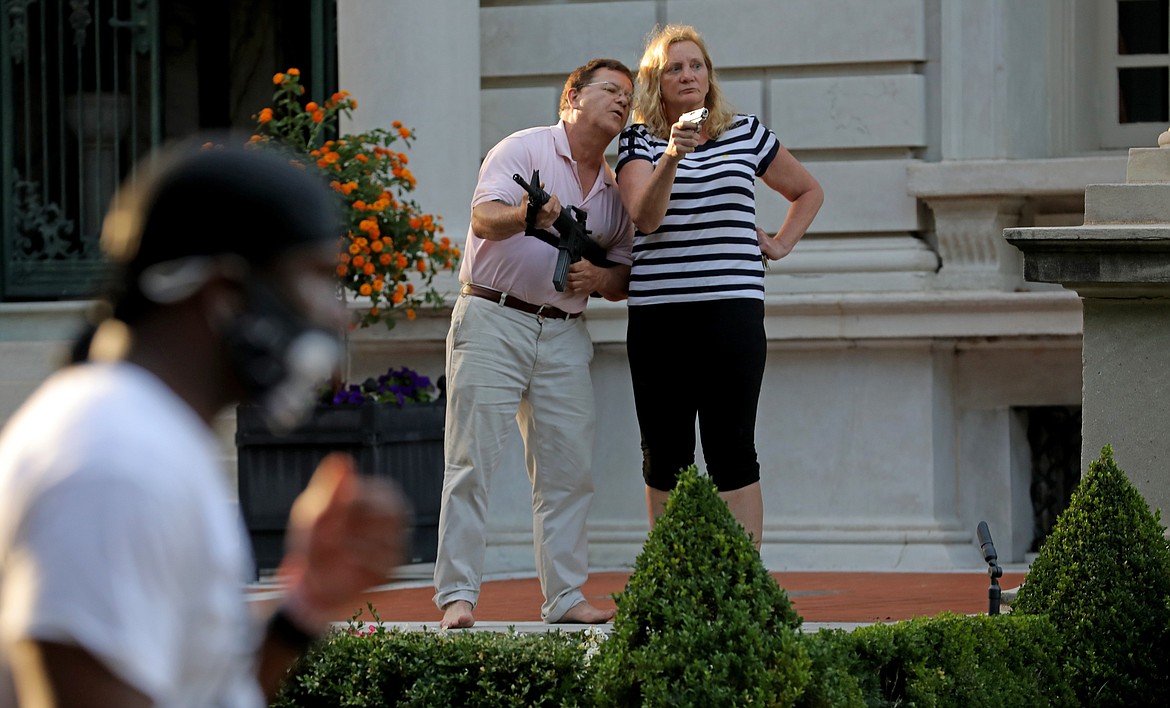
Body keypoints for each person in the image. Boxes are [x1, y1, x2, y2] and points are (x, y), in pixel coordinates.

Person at [0, 141, 409, 706]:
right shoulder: (116, 463)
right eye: (314, 277)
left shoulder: (141, 435)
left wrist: (303, 604)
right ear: (224, 296)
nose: (338, 312)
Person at [433, 58, 635, 629]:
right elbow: (482, 219)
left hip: (566, 332)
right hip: (494, 317)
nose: (623, 100)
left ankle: (565, 597)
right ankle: (458, 596)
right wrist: (528, 214)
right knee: (471, 462)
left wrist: (597, 280)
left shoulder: (616, 193)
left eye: (629, 95)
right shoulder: (522, 150)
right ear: (571, 96)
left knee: (568, 471)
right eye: (610, 90)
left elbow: (623, 275)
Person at [615, 25, 824, 549]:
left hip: (732, 313)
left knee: (733, 448)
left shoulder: (744, 132)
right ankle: (672, 582)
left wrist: (779, 243)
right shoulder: (639, 141)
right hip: (661, 318)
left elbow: (808, 191)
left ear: (709, 76)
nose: (688, 75)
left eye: (696, 65)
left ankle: (743, 587)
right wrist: (671, 156)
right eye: (674, 68)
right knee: (665, 453)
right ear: (655, 82)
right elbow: (645, 218)